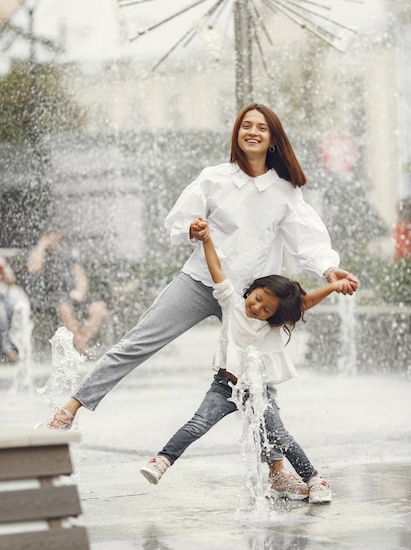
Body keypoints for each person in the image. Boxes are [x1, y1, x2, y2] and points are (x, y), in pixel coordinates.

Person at [36, 102, 358, 430]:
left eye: (261, 128)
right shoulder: (214, 178)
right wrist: (193, 228)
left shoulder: (285, 190)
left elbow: (307, 240)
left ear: (272, 140)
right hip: (201, 282)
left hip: (251, 299)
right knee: (138, 341)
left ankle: (276, 466)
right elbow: (180, 221)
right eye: (246, 125)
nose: (253, 132)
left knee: (259, 378)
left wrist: (328, 269)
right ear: (237, 133)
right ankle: (70, 409)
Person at [140, 221, 354, 503]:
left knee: (279, 437)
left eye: (266, 310)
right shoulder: (232, 304)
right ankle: (162, 461)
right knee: (197, 423)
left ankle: (315, 480)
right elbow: (216, 269)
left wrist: (333, 286)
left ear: (275, 316)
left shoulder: (272, 327)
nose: (257, 308)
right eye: (257, 299)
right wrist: (206, 240)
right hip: (224, 386)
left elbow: (303, 303)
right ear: (253, 289)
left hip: (259, 389)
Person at [23, 230, 107, 357]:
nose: (49, 239)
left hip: (71, 294)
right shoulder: (37, 253)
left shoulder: (67, 253)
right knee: (64, 308)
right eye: (46, 236)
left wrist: (79, 292)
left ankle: (79, 346)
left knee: (99, 307)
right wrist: (41, 246)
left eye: (51, 235)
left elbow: (80, 275)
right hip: (51, 296)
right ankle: (82, 348)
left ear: (57, 236)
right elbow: (34, 269)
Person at [0, 256, 31, 363]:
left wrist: (4, 276)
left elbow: (12, 280)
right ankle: (7, 350)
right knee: (2, 316)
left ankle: (21, 347)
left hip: (4, 296)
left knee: (19, 309)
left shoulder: (1, 261)